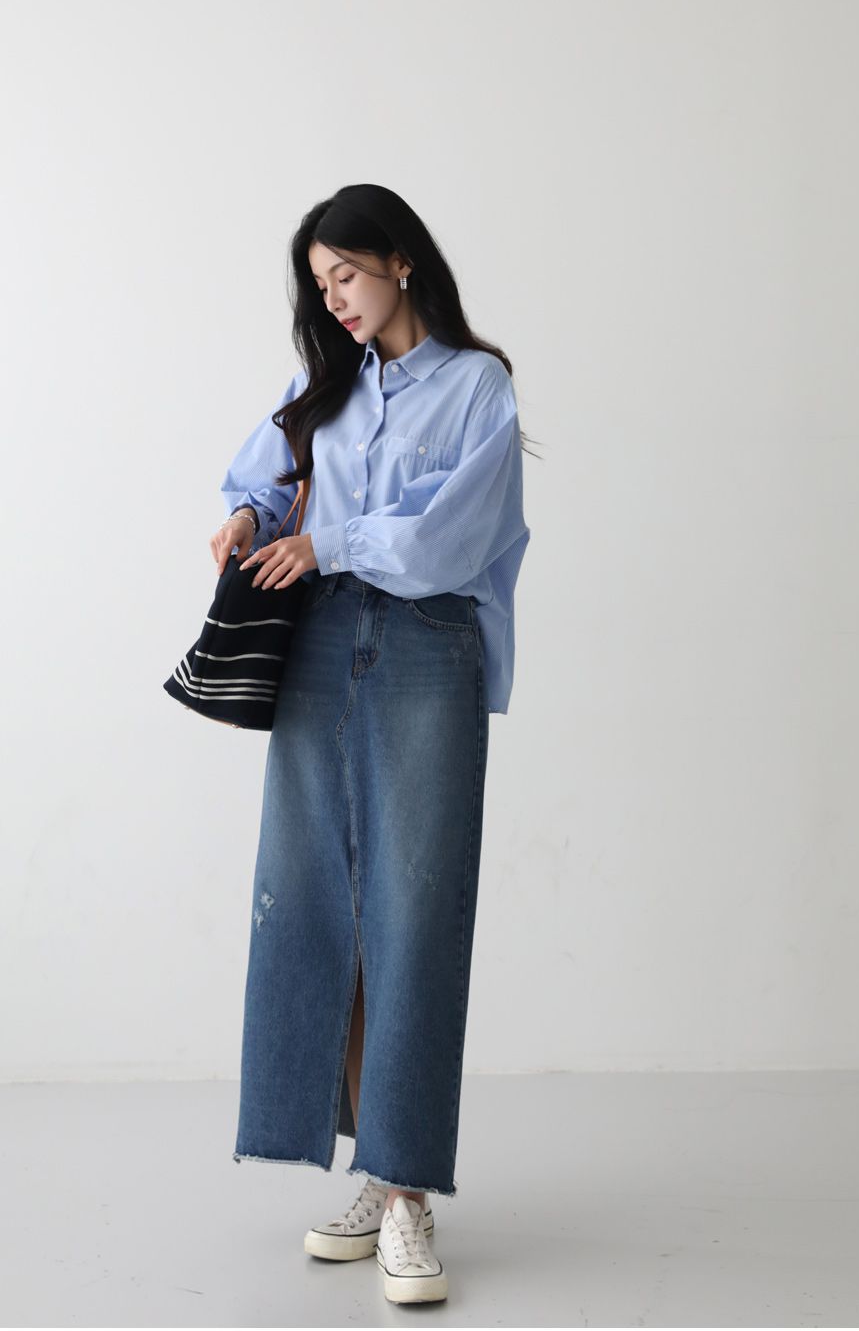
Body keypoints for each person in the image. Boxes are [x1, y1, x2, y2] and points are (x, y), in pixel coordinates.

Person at [210, 183, 534, 1305]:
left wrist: (331, 540)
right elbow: (264, 477)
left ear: (399, 259)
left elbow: (456, 537)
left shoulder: (477, 385)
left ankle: (407, 1193)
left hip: (426, 646)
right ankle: (372, 1170)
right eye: (320, 283)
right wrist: (250, 518)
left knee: (414, 907)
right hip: (316, 647)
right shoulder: (324, 385)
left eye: (345, 273)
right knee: (315, 899)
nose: (335, 297)